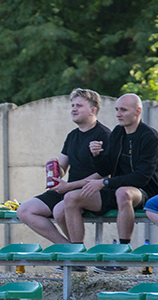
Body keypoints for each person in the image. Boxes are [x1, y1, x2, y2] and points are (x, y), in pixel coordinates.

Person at [62, 93, 158, 273]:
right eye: (117, 109)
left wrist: (105, 182)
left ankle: (122, 255)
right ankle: (77, 257)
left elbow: (141, 177)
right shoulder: (117, 132)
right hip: (115, 187)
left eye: (123, 110)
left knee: (123, 193)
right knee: (71, 198)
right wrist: (97, 156)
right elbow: (106, 168)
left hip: (146, 193)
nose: (118, 114)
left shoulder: (150, 137)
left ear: (138, 111)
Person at [17, 89, 111, 247]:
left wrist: (69, 186)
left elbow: (104, 175)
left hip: (93, 191)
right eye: (72, 105)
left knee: (60, 210)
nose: (73, 109)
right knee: (24, 210)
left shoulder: (104, 135)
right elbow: (62, 168)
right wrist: (53, 169)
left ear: (93, 110)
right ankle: (67, 248)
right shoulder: (72, 136)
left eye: (79, 106)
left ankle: (76, 251)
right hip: (69, 189)